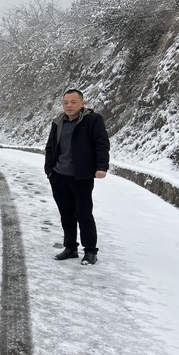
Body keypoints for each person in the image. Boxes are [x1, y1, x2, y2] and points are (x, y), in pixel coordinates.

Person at [45, 89, 110, 265]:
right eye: (66, 102)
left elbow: (101, 144)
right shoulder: (58, 122)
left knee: (84, 215)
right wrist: (50, 171)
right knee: (66, 215)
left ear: (82, 103)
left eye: (73, 102)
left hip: (81, 177)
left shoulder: (92, 121)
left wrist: (101, 166)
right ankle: (70, 248)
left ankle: (90, 251)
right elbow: (50, 147)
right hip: (59, 176)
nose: (69, 105)